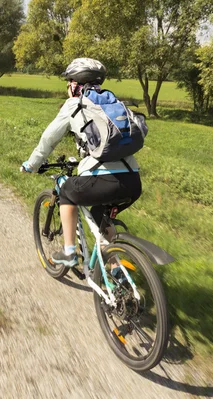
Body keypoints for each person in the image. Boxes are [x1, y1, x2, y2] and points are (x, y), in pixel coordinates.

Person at [20, 58, 142, 267]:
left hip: (103, 181)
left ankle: (69, 253)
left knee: (67, 190)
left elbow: (48, 140)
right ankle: (115, 268)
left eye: (69, 81)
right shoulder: (114, 103)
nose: (67, 86)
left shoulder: (74, 104)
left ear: (75, 84)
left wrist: (31, 164)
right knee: (99, 215)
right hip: (133, 180)